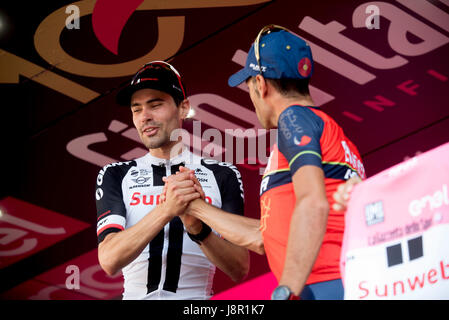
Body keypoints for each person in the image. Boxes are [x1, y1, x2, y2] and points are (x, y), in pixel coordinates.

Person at [168, 25, 366, 300]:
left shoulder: (294, 119)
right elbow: (266, 237)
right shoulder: (334, 135)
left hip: (324, 284)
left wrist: (288, 288)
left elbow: (313, 202)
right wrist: (197, 210)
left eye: (248, 85)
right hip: (344, 281)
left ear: (260, 84)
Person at [95, 60, 249, 300]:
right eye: (136, 109)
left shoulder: (223, 174)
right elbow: (108, 260)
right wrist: (167, 210)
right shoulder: (115, 174)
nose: (144, 116)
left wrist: (198, 228)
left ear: (183, 108)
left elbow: (239, 268)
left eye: (155, 105)